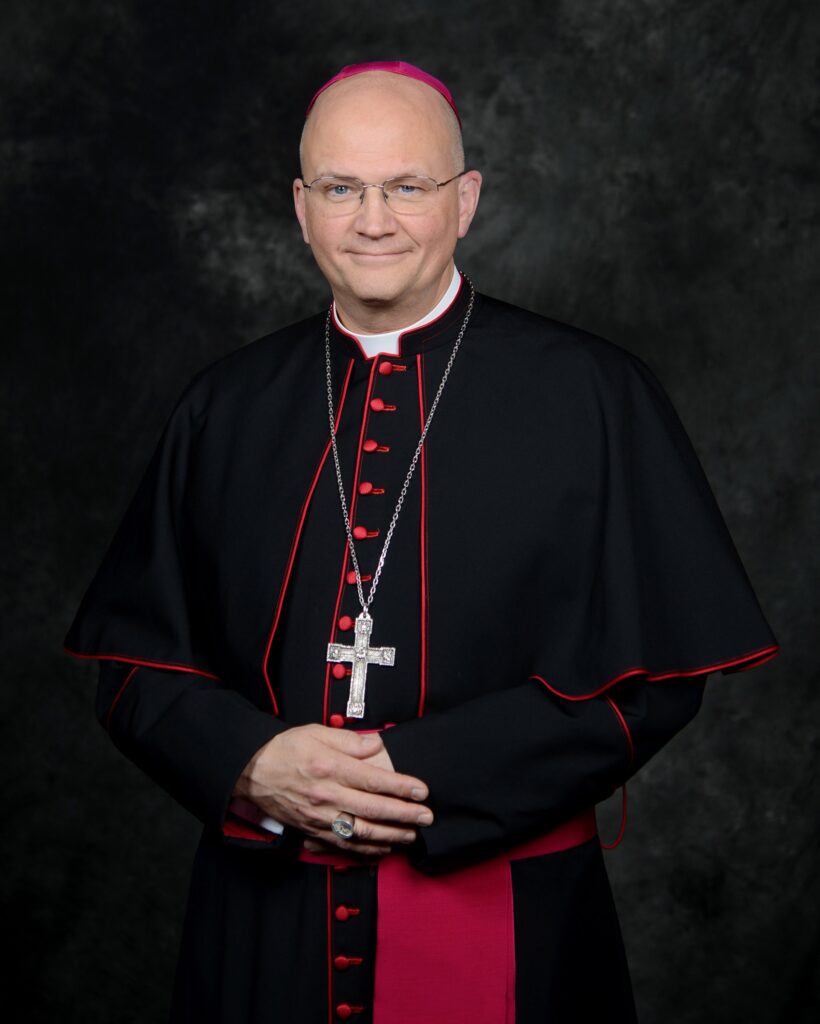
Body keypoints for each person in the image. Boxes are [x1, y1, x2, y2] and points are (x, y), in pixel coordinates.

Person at [65, 61, 778, 1023]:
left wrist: (416, 772)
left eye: (407, 186)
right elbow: (136, 670)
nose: (373, 221)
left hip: (509, 925)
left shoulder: (593, 395)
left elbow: (653, 683)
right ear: (301, 206)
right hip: (261, 929)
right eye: (342, 189)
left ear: (466, 201)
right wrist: (253, 764)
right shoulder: (226, 406)